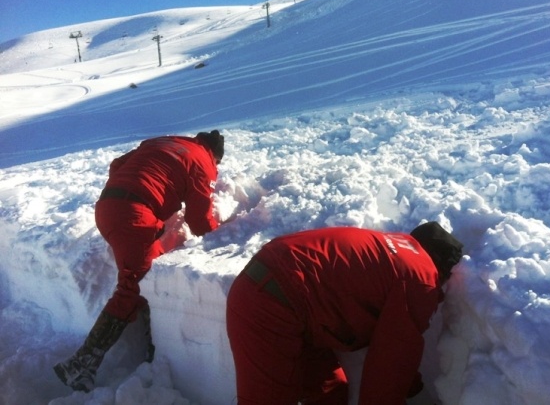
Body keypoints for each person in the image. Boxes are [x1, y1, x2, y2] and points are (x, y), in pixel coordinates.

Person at [54, 130, 225, 392]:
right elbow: (200, 220)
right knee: (133, 285)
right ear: (215, 154)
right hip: (134, 215)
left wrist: (135, 197)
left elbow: (117, 165)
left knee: (145, 273)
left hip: (107, 206)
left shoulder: (165, 142)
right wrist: (223, 237)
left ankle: (152, 349)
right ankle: (80, 364)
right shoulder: (204, 161)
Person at [226, 222, 464, 405]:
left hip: (280, 294)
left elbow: (397, 348)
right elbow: (389, 368)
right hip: (272, 303)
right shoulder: (421, 276)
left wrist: (412, 389)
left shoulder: (393, 252)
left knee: (330, 392)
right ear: (442, 270)